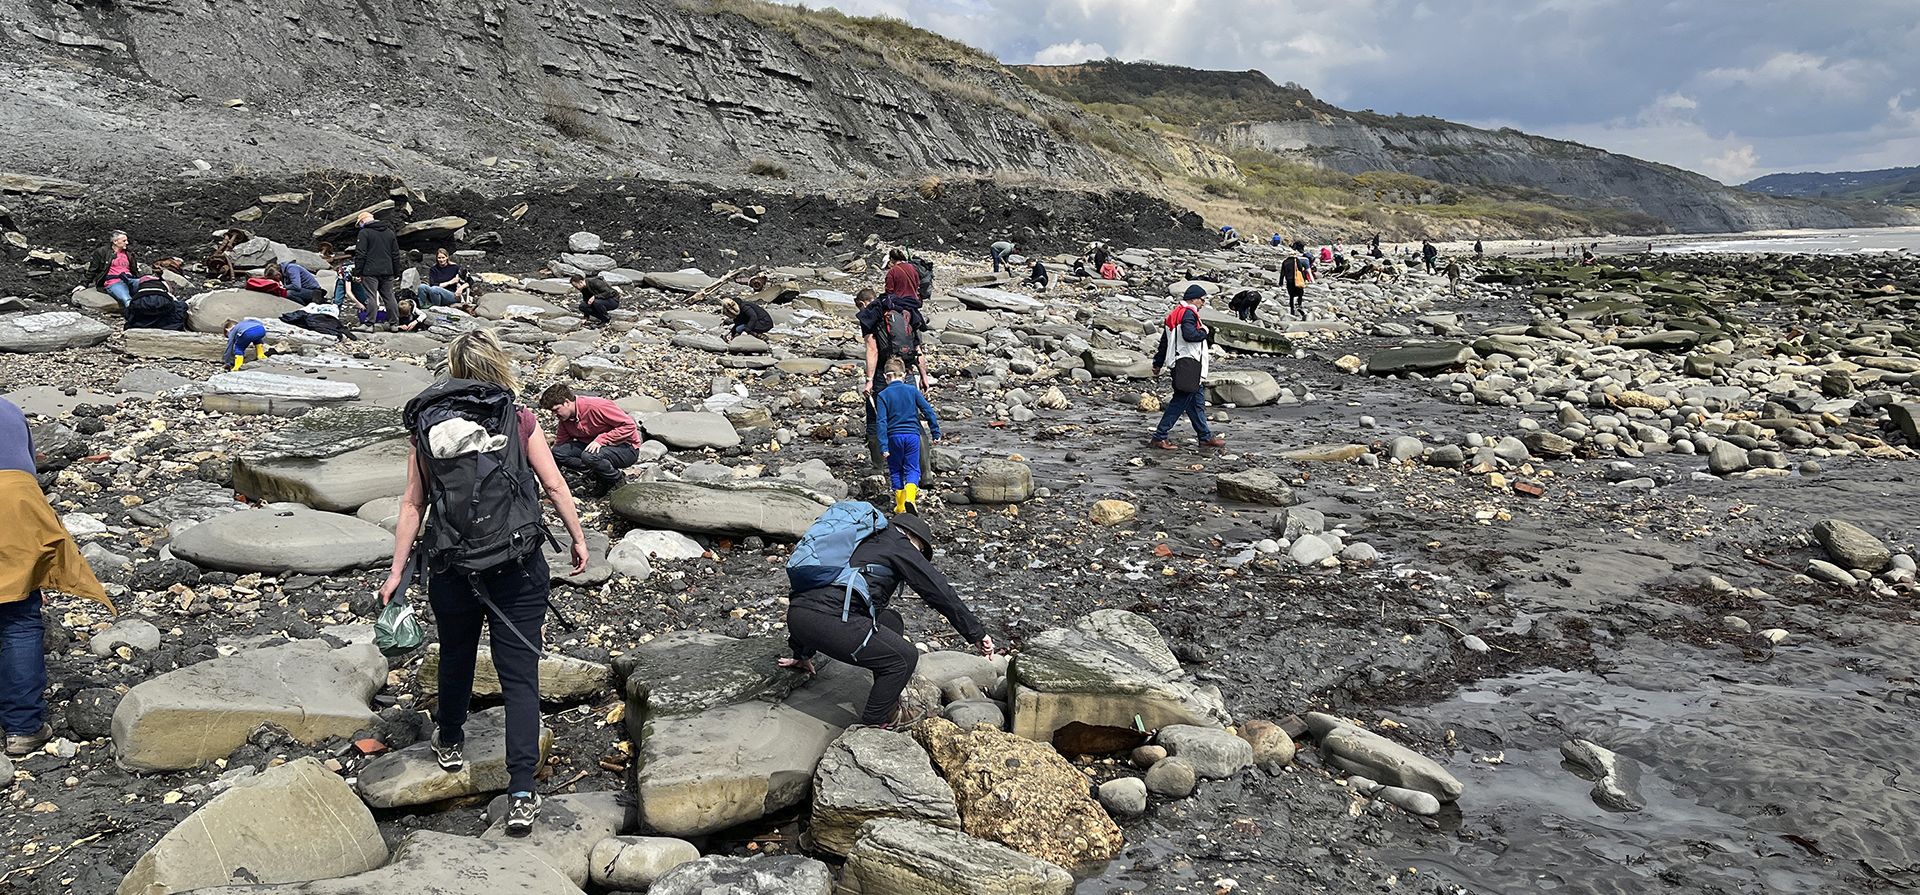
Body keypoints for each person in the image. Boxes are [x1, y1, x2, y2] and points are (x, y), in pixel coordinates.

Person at [378, 330, 589, 838]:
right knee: (519, 675)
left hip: (452, 564)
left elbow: (413, 504)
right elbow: (554, 484)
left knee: (456, 654)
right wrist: (578, 539)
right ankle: (520, 791)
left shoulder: (426, 424)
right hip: (516, 563)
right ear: (498, 365)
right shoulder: (519, 418)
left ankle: (449, 739)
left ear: (452, 368)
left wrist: (396, 572)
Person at [780, 513, 991, 727]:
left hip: (798, 617)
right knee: (905, 657)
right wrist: (976, 633)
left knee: (891, 620)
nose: (917, 556)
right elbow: (939, 591)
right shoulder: (900, 545)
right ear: (911, 537)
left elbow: (817, 593)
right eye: (919, 551)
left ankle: (886, 686)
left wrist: (801, 653)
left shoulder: (861, 537)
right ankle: (877, 720)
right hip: (828, 621)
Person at [2, 397, 111, 757]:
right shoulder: (8, 410)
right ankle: (23, 728)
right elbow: (28, 471)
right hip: (15, 502)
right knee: (17, 616)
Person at [857, 280, 931, 468]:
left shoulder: (871, 314)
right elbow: (918, 349)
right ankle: (925, 472)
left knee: (876, 419)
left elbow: (872, 350)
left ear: (862, 303)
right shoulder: (907, 310)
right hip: (906, 371)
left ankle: (879, 469)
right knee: (912, 418)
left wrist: (869, 380)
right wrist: (924, 377)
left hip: (885, 373)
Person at [1148, 285, 1223, 450]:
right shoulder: (1189, 313)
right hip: (1188, 364)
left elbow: (1165, 342)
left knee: (1196, 402)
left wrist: (1157, 363)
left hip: (1181, 363)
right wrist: (1205, 332)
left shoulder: (1175, 314)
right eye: (1202, 300)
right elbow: (1190, 336)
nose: (1203, 304)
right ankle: (1159, 436)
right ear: (1194, 299)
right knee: (1180, 401)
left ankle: (1205, 437)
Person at [537, 383, 640, 497]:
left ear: (566, 402)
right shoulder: (565, 418)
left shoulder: (596, 406)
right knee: (558, 452)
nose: (554, 415)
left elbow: (629, 425)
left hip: (626, 448)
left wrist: (601, 440)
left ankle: (616, 480)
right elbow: (561, 444)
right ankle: (597, 473)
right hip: (594, 448)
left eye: (556, 410)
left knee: (589, 456)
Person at [873, 357, 942, 514]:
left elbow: (881, 422)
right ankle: (911, 499)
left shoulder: (883, 395)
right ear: (904, 375)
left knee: (896, 470)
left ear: (885, 377)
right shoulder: (912, 391)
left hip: (893, 438)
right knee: (913, 469)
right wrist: (935, 431)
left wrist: (883, 445)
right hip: (912, 435)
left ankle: (900, 506)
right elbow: (928, 411)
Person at [352, 212, 405, 326]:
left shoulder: (364, 233)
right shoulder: (389, 232)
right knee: (389, 296)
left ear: (362, 221)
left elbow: (360, 254)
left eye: (360, 223)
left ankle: (369, 323)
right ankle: (394, 323)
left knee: (371, 296)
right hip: (387, 271)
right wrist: (396, 271)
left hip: (370, 271)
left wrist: (358, 272)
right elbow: (395, 254)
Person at [86, 230, 140, 307]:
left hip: (130, 280)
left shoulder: (129, 253)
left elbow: (135, 270)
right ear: (115, 241)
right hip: (113, 282)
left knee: (148, 285)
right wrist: (84, 284)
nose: (127, 243)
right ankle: (135, 316)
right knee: (127, 299)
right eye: (124, 241)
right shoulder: (102, 252)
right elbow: (93, 269)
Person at [124, 276, 188, 331]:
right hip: (163, 301)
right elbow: (181, 308)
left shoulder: (137, 291)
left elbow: (128, 314)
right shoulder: (164, 286)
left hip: (141, 301)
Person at [1280, 250, 1310, 318]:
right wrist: (1304, 279)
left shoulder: (1285, 262)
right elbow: (1300, 270)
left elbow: (1282, 273)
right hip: (1297, 280)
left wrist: (1281, 282)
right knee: (1300, 293)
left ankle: (1292, 309)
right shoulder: (1296, 261)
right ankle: (1299, 305)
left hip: (1289, 280)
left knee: (1291, 295)